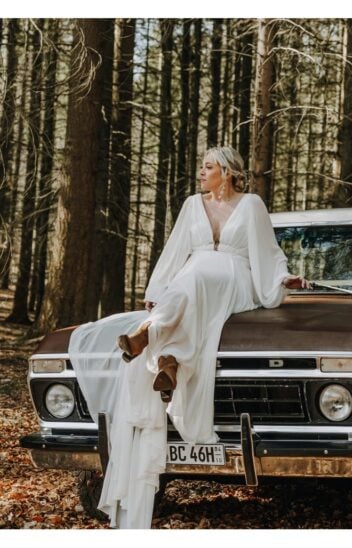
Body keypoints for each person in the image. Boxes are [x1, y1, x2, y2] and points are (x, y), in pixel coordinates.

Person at [69, 146, 308, 528]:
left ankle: (149, 337)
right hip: (193, 282)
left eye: (209, 167)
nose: (202, 172)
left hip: (236, 278)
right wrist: (154, 291)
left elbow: (268, 251)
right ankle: (167, 360)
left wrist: (282, 279)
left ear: (228, 172)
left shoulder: (252, 205)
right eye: (202, 167)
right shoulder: (191, 205)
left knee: (191, 284)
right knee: (185, 285)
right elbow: (175, 250)